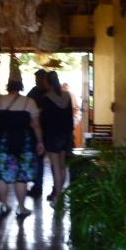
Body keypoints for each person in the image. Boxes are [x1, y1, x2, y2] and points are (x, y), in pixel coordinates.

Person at [0, 78, 45, 217]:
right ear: (21, 87)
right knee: (21, 177)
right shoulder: (29, 102)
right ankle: (21, 208)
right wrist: (40, 142)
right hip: (24, 143)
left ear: (8, 87)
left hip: (2, 143)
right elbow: (36, 125)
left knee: (1, 176)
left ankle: (3, 205)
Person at [41, 71, 74, 207]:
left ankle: (58, 198)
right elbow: (70, 118)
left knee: (55, 167)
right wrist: (69, 134)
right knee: (62, 167)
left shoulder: (47, 98)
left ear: (48, 82)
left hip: (53, 136)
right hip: (65, 135)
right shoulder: (67, 96)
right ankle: (60, 196)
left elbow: (46, 121)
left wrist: (43, 138)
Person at [27, 69, 49, 197]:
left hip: (46, 129)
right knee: (37, 159)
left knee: (40, 159)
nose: (37, 82)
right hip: (35, 129)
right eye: (36, 79)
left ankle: (38, 186)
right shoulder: (34, 92)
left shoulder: (48, 92)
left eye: (39, 79)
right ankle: (37, 185)